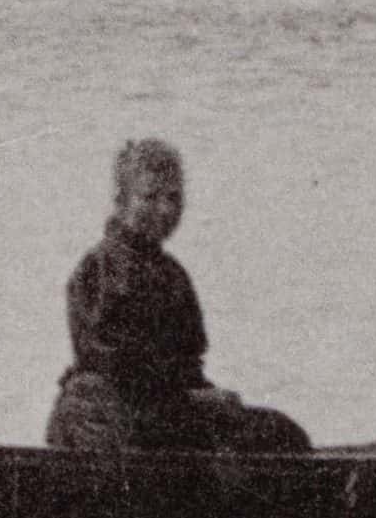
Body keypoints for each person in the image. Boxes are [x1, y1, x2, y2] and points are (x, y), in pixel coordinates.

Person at [46, 139, 312, 455]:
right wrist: (194, 399)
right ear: (121, 201)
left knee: (281, 432)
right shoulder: (100, 268)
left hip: (164, 410)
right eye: (150, 197)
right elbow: (115, 367)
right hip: (120, 411)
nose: (165, 209)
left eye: (174, 198)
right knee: (277, 436)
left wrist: (208, 397)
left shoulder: (171, 273)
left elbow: (188, 364)